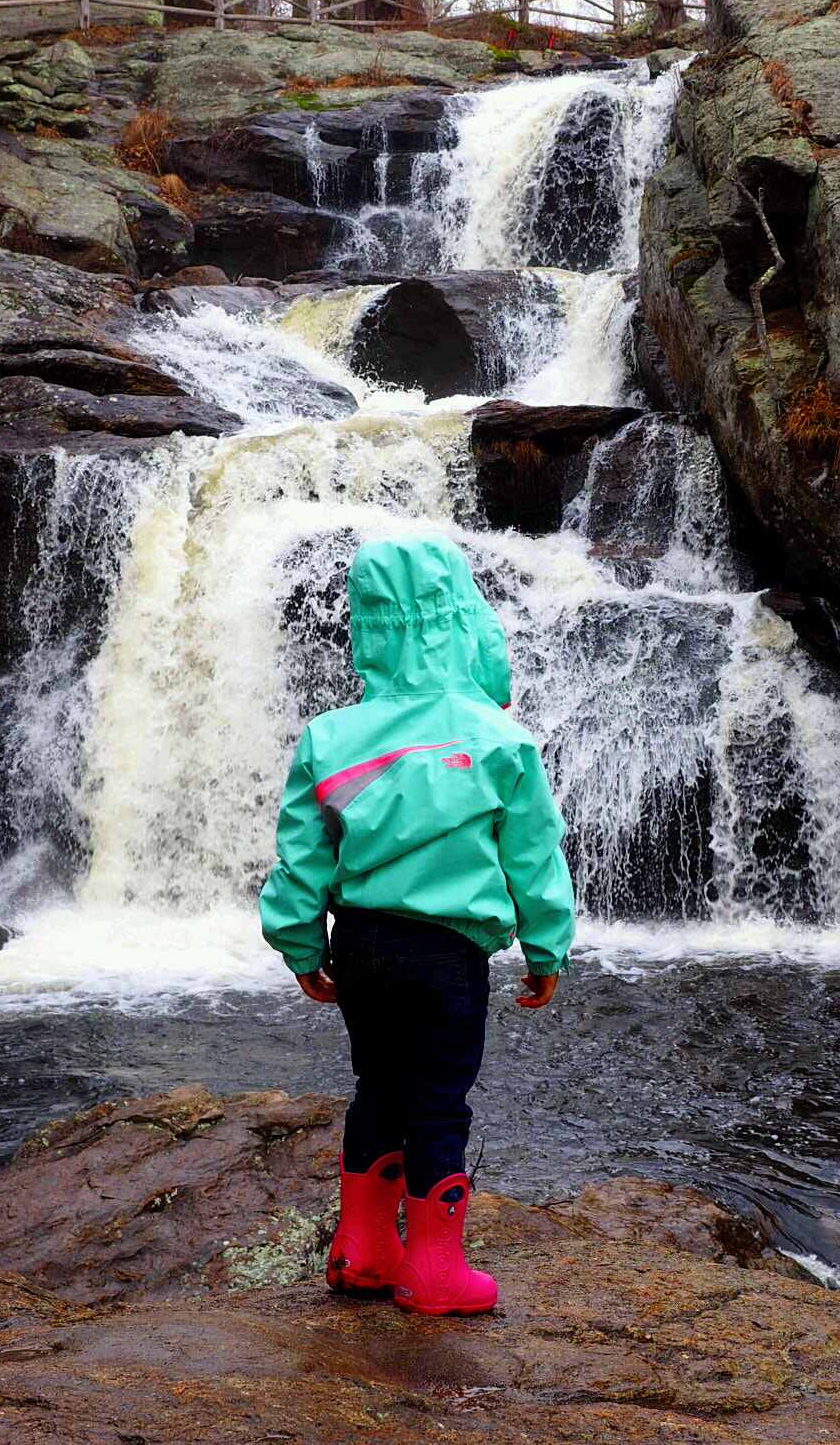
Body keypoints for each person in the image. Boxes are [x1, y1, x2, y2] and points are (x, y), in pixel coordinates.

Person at [259, 533, 574, 1317]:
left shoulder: (328, 737)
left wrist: (301, 946)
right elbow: (533, 858)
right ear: (462, 620)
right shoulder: (498, 737)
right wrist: (546, 948)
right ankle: (433, 1272)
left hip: (360, 946)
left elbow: (301, 860)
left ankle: (362, 1250)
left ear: (365, 628)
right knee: (437, 1102)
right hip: (450, 954)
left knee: (376, 1088)